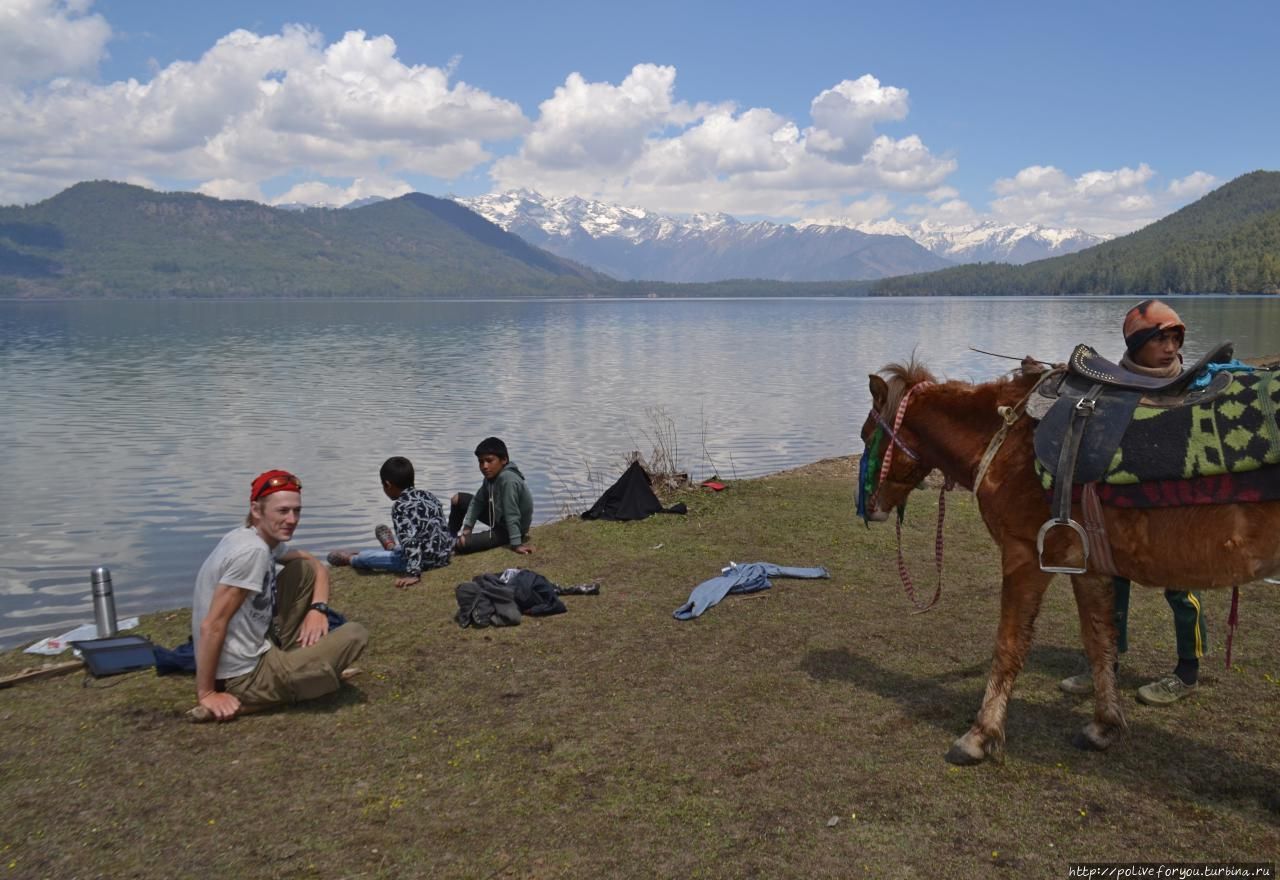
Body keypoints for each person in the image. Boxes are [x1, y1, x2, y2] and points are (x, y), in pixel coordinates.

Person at [1059, 299, 1207, 706]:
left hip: (1177, 506)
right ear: (1137, 342)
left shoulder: (1197, 386)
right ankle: (1107, 664)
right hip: (1123, 505)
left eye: (1175, 338)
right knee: (1112, 582)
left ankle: (1187, 672)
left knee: (1182, 585)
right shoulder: (1110, 389)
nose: (1171, 347)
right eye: (1160, 338)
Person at [192, 469, 368, 721]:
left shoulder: (250, 537)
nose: (292, 519)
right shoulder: (252, 553)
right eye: (283, 511)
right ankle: (254, 699)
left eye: (297, 511)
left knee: (302, 571)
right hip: (242, 675)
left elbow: (313, 564)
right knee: (355, 633)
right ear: (256, 510)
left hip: (257, 651)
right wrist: (207, 692)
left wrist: (318, 609)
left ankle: (296, 662)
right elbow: (212, 624)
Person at [329, 456, 453, 588]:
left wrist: (413, 573)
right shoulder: (429, 496)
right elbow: (442, 529)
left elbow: (411, 542)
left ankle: (352, 558)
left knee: (368, 557)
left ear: (388, 485)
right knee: (402, 548)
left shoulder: (400, 507)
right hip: (443, 557)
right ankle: (391, 546)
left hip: (424, 562)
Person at [452, 437, 534, 555]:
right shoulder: (490, 478)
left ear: (504, 460)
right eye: (481, 462)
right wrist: (467, 527)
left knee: (463, 543)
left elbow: (512, 513)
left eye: (489, 461)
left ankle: (450, 546)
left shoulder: (508, 479)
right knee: (457, 499)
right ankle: (450, 536)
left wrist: (516, 544)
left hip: (510, 528)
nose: (484, 466)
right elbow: (477, 502)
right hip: (499, 517)